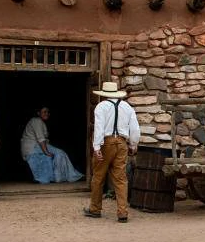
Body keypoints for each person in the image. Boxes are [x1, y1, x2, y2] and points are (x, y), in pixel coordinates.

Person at [84, 81, 140, 223]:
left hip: (106, 143)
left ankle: (95, 209)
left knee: (98, 176)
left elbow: (99, 127)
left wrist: (97, 147)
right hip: (121, 143)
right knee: (121, 178)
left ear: (104, 94)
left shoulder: (101, 107)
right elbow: (134, 129)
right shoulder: (127, 107)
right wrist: (133, 144)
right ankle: (122, 212)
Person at [20, 107, 84, 184]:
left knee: (57, 153)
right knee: (60, 153)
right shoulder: (36, 121)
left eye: (48, 112)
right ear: (38, 113)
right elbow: (41, 139)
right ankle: (64, 177)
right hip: (33, 147)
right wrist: (46, 152)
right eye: (44, 112)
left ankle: (59, 177)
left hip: (34, 147)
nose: (47, 113)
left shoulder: (40, 122)